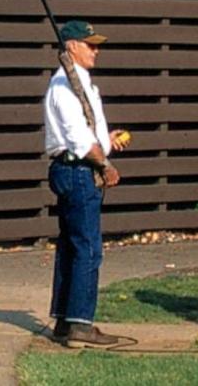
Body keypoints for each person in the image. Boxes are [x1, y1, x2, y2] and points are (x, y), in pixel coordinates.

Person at [43, 20, 129, 348]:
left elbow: (84, 133)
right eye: (89, 44)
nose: (96, 50)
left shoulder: (81, 84)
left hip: (76, 166)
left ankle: (65, 319)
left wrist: (105, 141)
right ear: (71, 47)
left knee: (72, 246)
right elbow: (78, 140)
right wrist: (105, 164)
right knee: (87, 248)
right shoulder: (64, 87)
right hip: (78, 170)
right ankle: (80, 323)